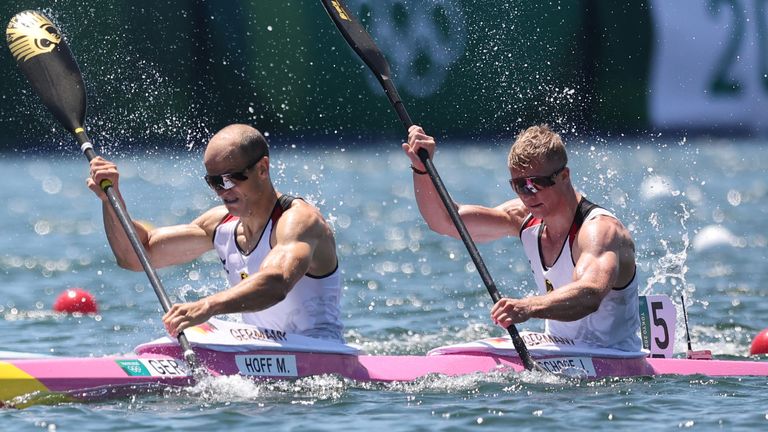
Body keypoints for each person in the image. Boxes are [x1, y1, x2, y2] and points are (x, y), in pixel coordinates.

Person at [87, 124, 344, 342]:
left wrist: (207, 306)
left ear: (262, 169)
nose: (223, 190)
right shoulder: (220, 224)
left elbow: (276, 282)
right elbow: (136, 255)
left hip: (320, 357)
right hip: (262, 351)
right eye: (214, 181)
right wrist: (110, 199)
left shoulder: (298, 220)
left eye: (232, 179)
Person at [402, 124, 641, 351]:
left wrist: (528, 307)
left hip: (615, 361)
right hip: (559, 353)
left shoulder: (599, 230)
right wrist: (421, 168)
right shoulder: (522, 218)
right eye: (519, 185)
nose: (527, 194)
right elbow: (444, 222)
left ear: (564, 176)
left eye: (535, 184)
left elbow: (590, 294)